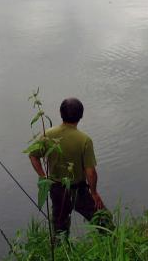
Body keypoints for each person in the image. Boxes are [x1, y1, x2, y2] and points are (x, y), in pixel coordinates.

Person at [28, 97, 111, 235]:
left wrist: (44, 177)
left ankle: (61, 251)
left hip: (56, 189)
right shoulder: (84, 140)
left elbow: (33, 155)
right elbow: (90, 172)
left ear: (61, 114)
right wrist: (94, 193)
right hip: (79, 191)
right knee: (104, 221)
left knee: (60, 228)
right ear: (81, 116)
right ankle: (112, 244)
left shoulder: (48, 134)